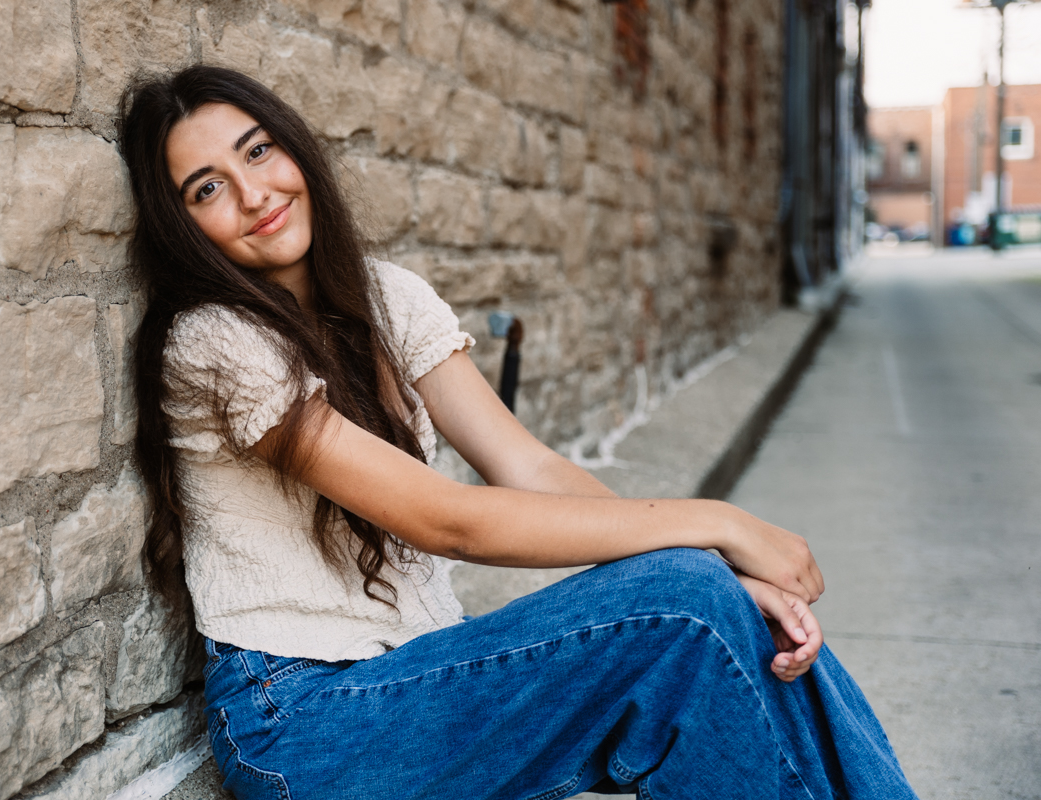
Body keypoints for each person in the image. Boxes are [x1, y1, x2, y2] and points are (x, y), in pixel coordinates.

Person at [119, 65, 918, 800]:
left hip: (419, 671)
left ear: (294, 148)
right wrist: (722, 525)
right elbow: (449, 521)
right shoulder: (214, 342)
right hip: (305, 723)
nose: (255, 192)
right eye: (207, 189)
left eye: (259, 151)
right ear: (184, 228)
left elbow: (528, 465)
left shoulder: (388, 299)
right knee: (687, 604)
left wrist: (715, 570)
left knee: (712, 603)